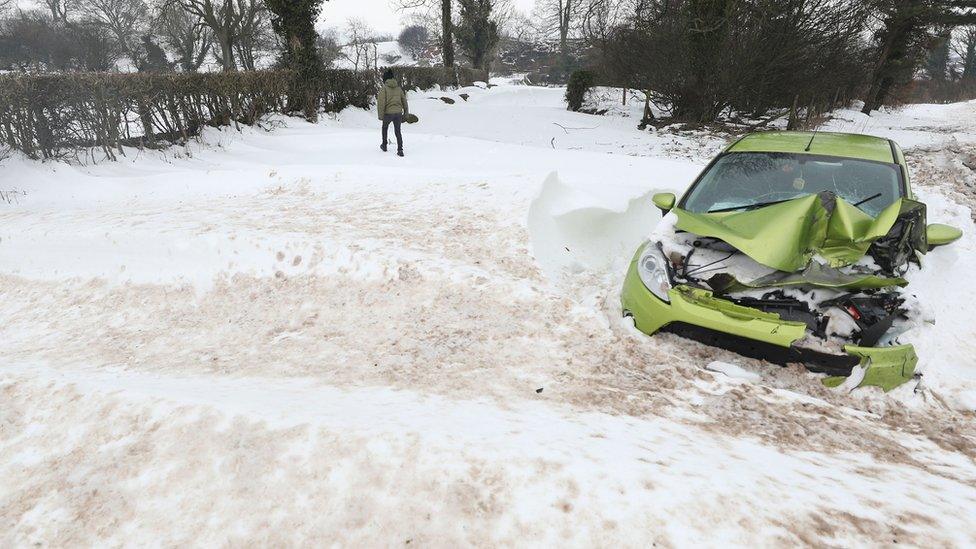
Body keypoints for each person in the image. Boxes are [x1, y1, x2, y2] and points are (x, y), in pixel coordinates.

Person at [377, 69, 408, 157]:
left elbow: (381, 103)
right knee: (398, 131)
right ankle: (400, 149)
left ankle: (384, 145)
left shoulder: (384, 89)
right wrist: (406, 113)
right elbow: (404, 101)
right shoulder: (399, 89)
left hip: (388, 113)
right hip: (398, 113)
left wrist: (381, 115)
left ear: (385, 79)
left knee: (384, 128)